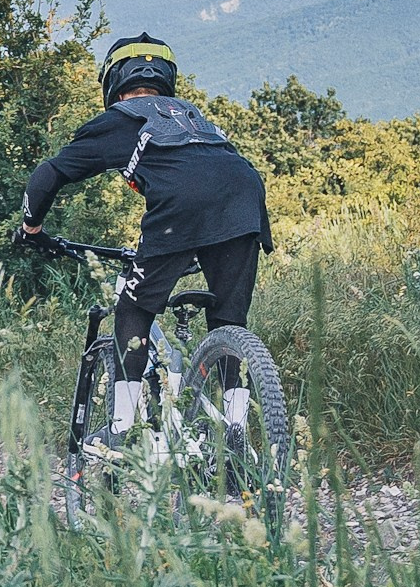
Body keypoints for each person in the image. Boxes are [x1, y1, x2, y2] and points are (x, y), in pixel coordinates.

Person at [18, 32, 272, 440]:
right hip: (246, 199)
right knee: (228, 317)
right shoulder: (190, 114)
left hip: (180, 210)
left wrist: (31, 228)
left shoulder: (120, 118)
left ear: (113, 81)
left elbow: (50, 174)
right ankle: (236, 431)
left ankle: (122, 427)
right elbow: (211, 175)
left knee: (133, 310)